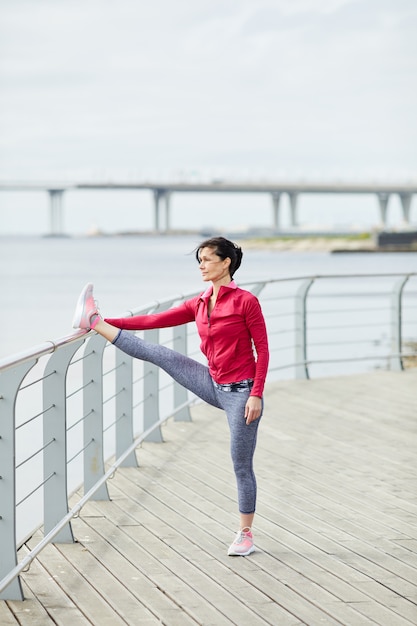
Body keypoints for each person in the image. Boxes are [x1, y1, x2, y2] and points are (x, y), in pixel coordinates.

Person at [72, 236, 269, 556]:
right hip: (212, 383)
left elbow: (263, 349)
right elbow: (154, 321)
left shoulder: (245, 302)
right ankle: (92, 320)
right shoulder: (200, 303)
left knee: (240, 464)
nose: (201, 266)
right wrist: (106, 321)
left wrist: (256, 395)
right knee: (160, 354)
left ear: (226, 262)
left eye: (207, 259)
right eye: (199, 260)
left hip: (241, 394)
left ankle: (245, 533)